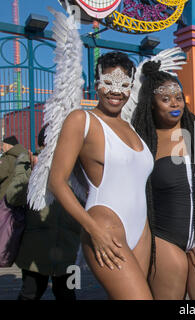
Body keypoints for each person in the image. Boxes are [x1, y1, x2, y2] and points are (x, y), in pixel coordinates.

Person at [48, 52, 154, 300]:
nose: (116, 91)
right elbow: (56, 180)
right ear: (97, 84)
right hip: (105, 225)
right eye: (109, 83)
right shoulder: (81, 120)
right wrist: (92, 228)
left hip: (141, 230)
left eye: (124, 85)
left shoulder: (131, 127)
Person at [131, 60, 195, 300]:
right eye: (165, 99)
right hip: (164, 238)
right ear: (151, 104)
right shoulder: (143, 141)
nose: (174, 103)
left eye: (178, 97)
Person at [10, 126, 81, 300]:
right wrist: (34, 176)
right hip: (36, 250)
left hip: (70, 250)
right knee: (30, 295)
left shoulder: (78, 165)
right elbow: (13, 197)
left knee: (68, 295)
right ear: (43, 143)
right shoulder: (26, 161)